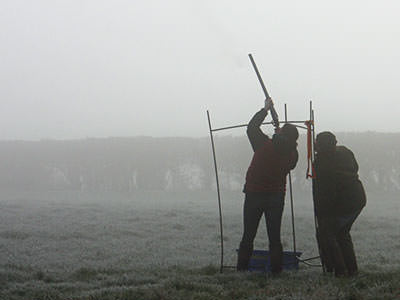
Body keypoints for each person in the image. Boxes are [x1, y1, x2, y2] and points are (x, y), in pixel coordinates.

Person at [237, 98, 299, 274]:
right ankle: (276, 271)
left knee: (248, 236)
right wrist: (280, 132)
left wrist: (265, 110)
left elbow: (251, 128)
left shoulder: (263, 145)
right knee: (274, 238)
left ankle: (241, 270)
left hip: (254, 195)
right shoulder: (293, 155)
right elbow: (286, 147)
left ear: (281, 133)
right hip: (276, 197)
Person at [313, 131, 366, 277]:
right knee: (342, 233)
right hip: (358, 198)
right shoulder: (344, 151)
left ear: (323, 146)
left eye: (317, 142)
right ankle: (352, 269)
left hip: (343, 203)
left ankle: (340, 270)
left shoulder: (322, 163)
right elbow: (355, 167)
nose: (315, 144)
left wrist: (322, 213)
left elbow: (326, 192)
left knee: (327, 233)